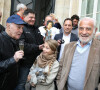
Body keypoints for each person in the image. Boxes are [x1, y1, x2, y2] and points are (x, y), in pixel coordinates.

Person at [56, 17, 100, 90]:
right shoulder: (68, 47)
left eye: (88, 29)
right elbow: (60, 68)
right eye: (81, 28)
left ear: (95, 30)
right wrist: (60, 84)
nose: (84, 32)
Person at [15, 9, 44, 90]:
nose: (33, 19)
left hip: (37, 64)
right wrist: (37, 47)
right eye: (30, 17)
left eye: (34, 18)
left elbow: (41, 41)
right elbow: (22, 45)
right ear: (24, 17)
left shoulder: (36, 29)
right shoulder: (21, 28)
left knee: (35, 84)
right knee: (21, 84)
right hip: (25, 63)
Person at [0, 15, 26, 90]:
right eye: (18, 27)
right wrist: (13, 59)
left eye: (22, 28)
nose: (21, 31)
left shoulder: (14, 40)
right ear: (8, 26)